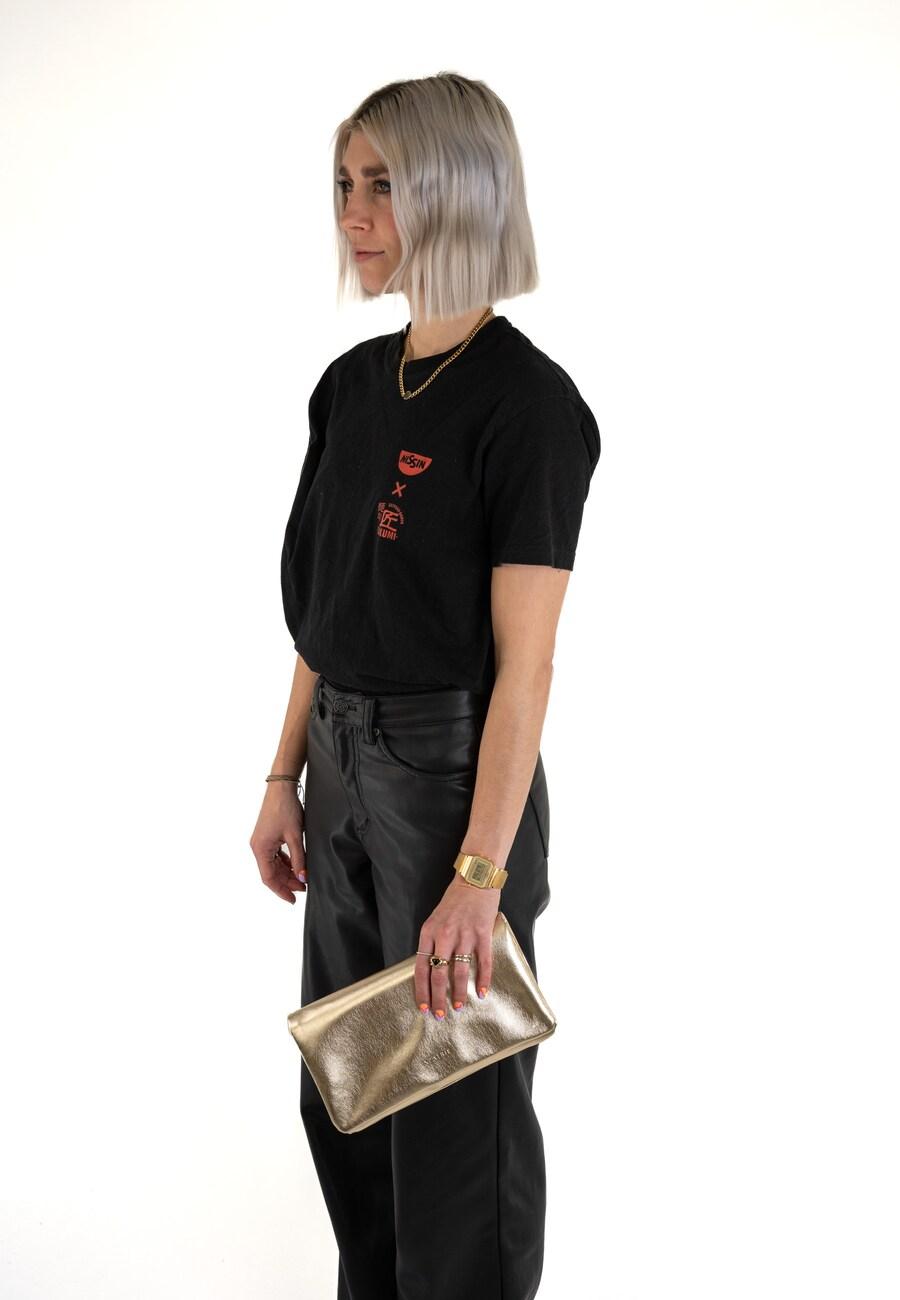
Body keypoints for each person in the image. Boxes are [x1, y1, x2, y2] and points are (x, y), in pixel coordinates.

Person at [249, 71, 601, 1300]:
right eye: (345, 183)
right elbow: (326, 608)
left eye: (385, 184)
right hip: (341, 769)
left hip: (450, 784)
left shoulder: (530, 407)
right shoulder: (349, 388)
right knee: (349, 1097)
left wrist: (479, 877)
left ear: (458, 190)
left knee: (456, 1125)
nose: (353, 212)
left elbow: (527, 666)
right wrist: (284, 774)